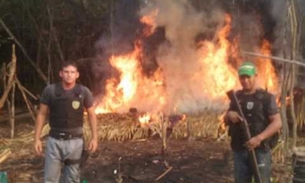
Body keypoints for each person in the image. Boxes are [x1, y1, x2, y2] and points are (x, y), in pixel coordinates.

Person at [34, 61, 98, 183]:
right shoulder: (50, 90)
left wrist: (95, 138)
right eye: (66, 72)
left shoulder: (84, 92)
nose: (69, 75)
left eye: (72, 72)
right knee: (50, 179)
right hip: (54, 141)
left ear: (77, 75)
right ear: (61, 73)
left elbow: (91, 115)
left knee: (72, 179)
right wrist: (36, 138)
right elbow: (41, 114)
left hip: (75, 142)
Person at [224, 61, 282, 183]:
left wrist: (259, 138)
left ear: (255, 76)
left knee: (261, 180)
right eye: (242, 77)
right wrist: (229, 115)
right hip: (240, 149)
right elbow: (226, 120)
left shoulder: (266, 98)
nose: (245, 80)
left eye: (248, 77)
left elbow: (277, 123)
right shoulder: (236, 97)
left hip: (260, 150)